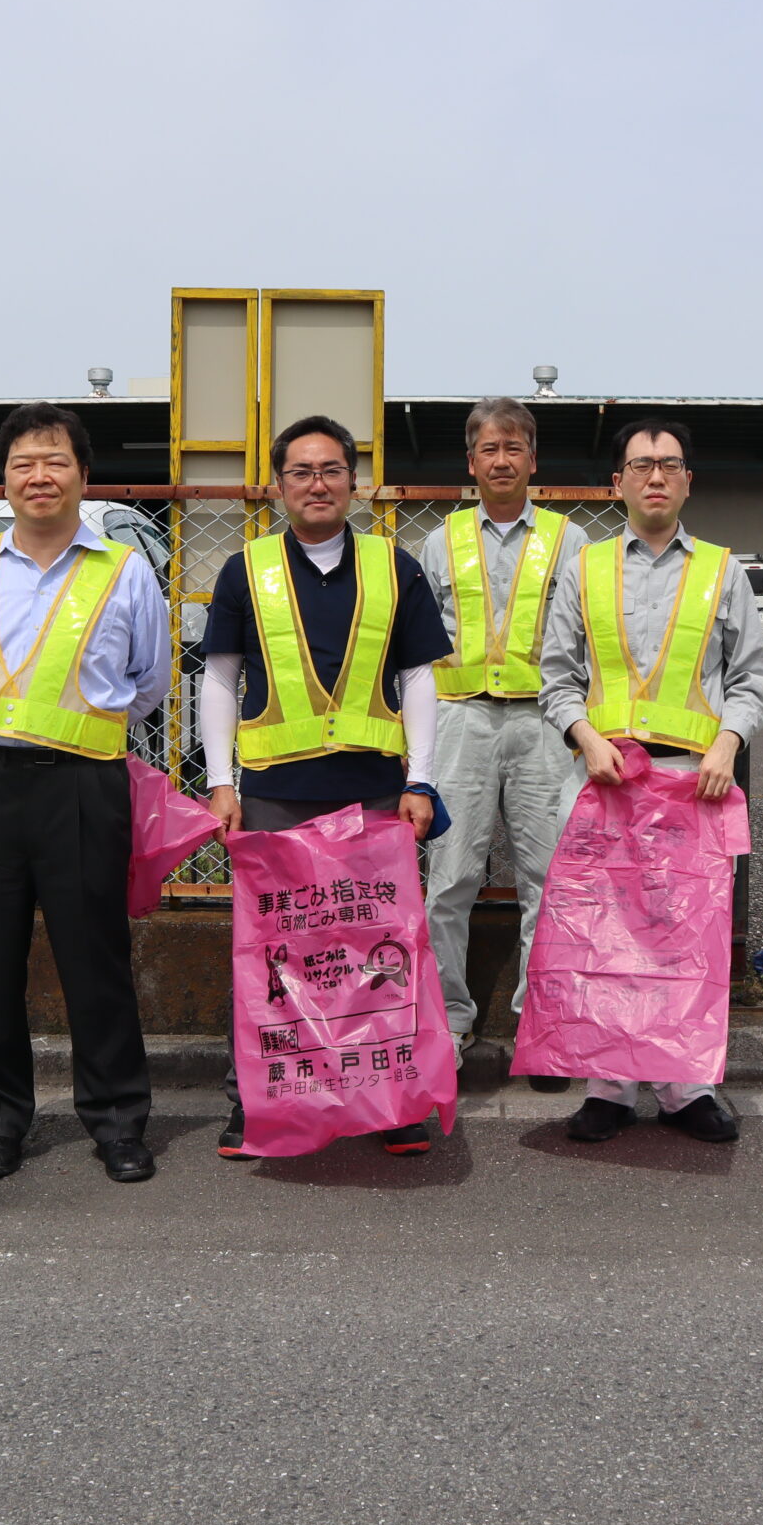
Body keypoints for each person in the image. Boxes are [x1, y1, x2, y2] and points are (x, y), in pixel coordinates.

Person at [0, 402, 171, 1185]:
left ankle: (118, 1122)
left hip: (86, 787)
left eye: (55, 460)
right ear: (3, 481)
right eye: (23, 463)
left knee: (98, 962)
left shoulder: (124, 571)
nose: (39, 475)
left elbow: (148, 683)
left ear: (84, 476)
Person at [201, 413, 451, 1159]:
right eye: (302, 471)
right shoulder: (244, 568)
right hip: (275, 791)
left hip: (375, 793)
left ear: (354, 481)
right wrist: (220, 782)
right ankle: (254, 1099)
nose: (318, 483)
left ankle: (393, 1104)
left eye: (332, 469)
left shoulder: (394, 565)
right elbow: (218, 679)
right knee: (272, 955)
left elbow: (420, 678)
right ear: (278, 486)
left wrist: (423, 779)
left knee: (378, 952)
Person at [537, 417, 763, 1144]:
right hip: (608, 777)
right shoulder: (585, 569)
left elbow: (753, 679)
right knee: (605, 937)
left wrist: (728, 744)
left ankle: (686, 1089)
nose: (655, 476)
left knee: (686, 940)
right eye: (641, 464)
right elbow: (556, 676)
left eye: (669, 464)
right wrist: (582, 735)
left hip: (690, 781)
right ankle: (610, 1085)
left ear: (687, 480)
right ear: (618, 482)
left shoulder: (721, 572)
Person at [420, 397, 589, 1086]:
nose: (501, 459)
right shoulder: (440, 540)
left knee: (547, 881)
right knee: (449, 878)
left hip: (543, 721)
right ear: (471, 462)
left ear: (533, 459)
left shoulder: (569, 540)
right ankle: (449, 1022)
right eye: (489, 448)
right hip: (461, 718)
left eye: (513, 447)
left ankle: (541, 1026)